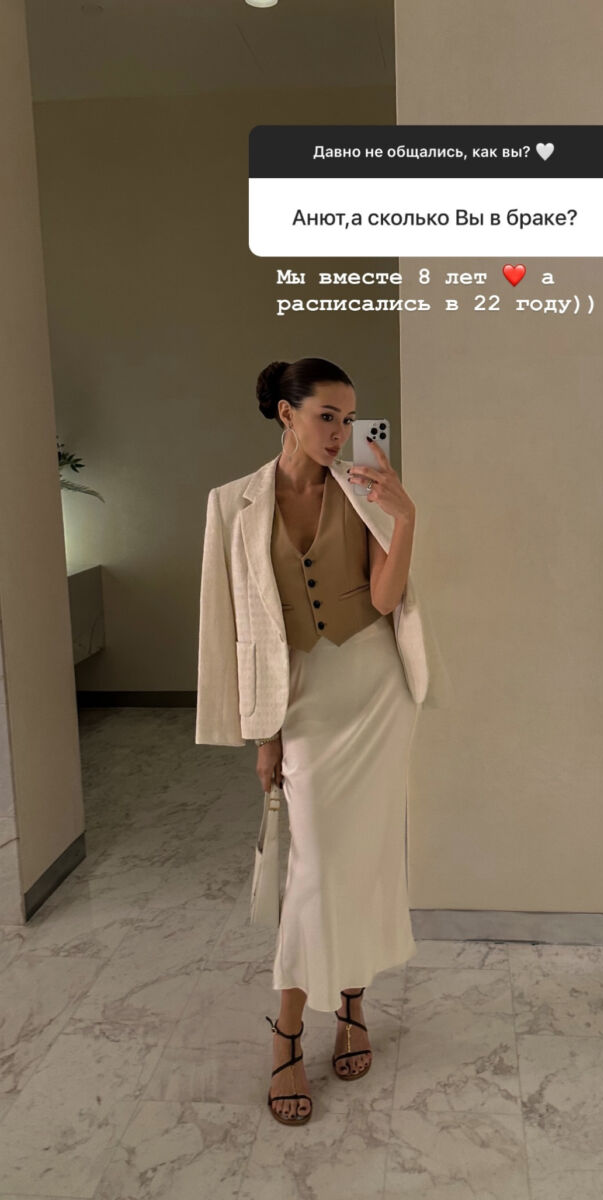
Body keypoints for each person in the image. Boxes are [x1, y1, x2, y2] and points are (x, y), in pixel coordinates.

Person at [196, 356, 449, 1126]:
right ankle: (287, 1032)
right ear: (287, 414)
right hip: (302, 694)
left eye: (349, 418)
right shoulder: (233, 504)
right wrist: (264, 735)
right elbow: (239, 628)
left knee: (363, 857)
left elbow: (384, 598)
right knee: (313, 868)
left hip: (375, 691)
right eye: (326, 416)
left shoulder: (364, 485)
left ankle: (352, 1005)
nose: (341, 432)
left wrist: (404, 517)